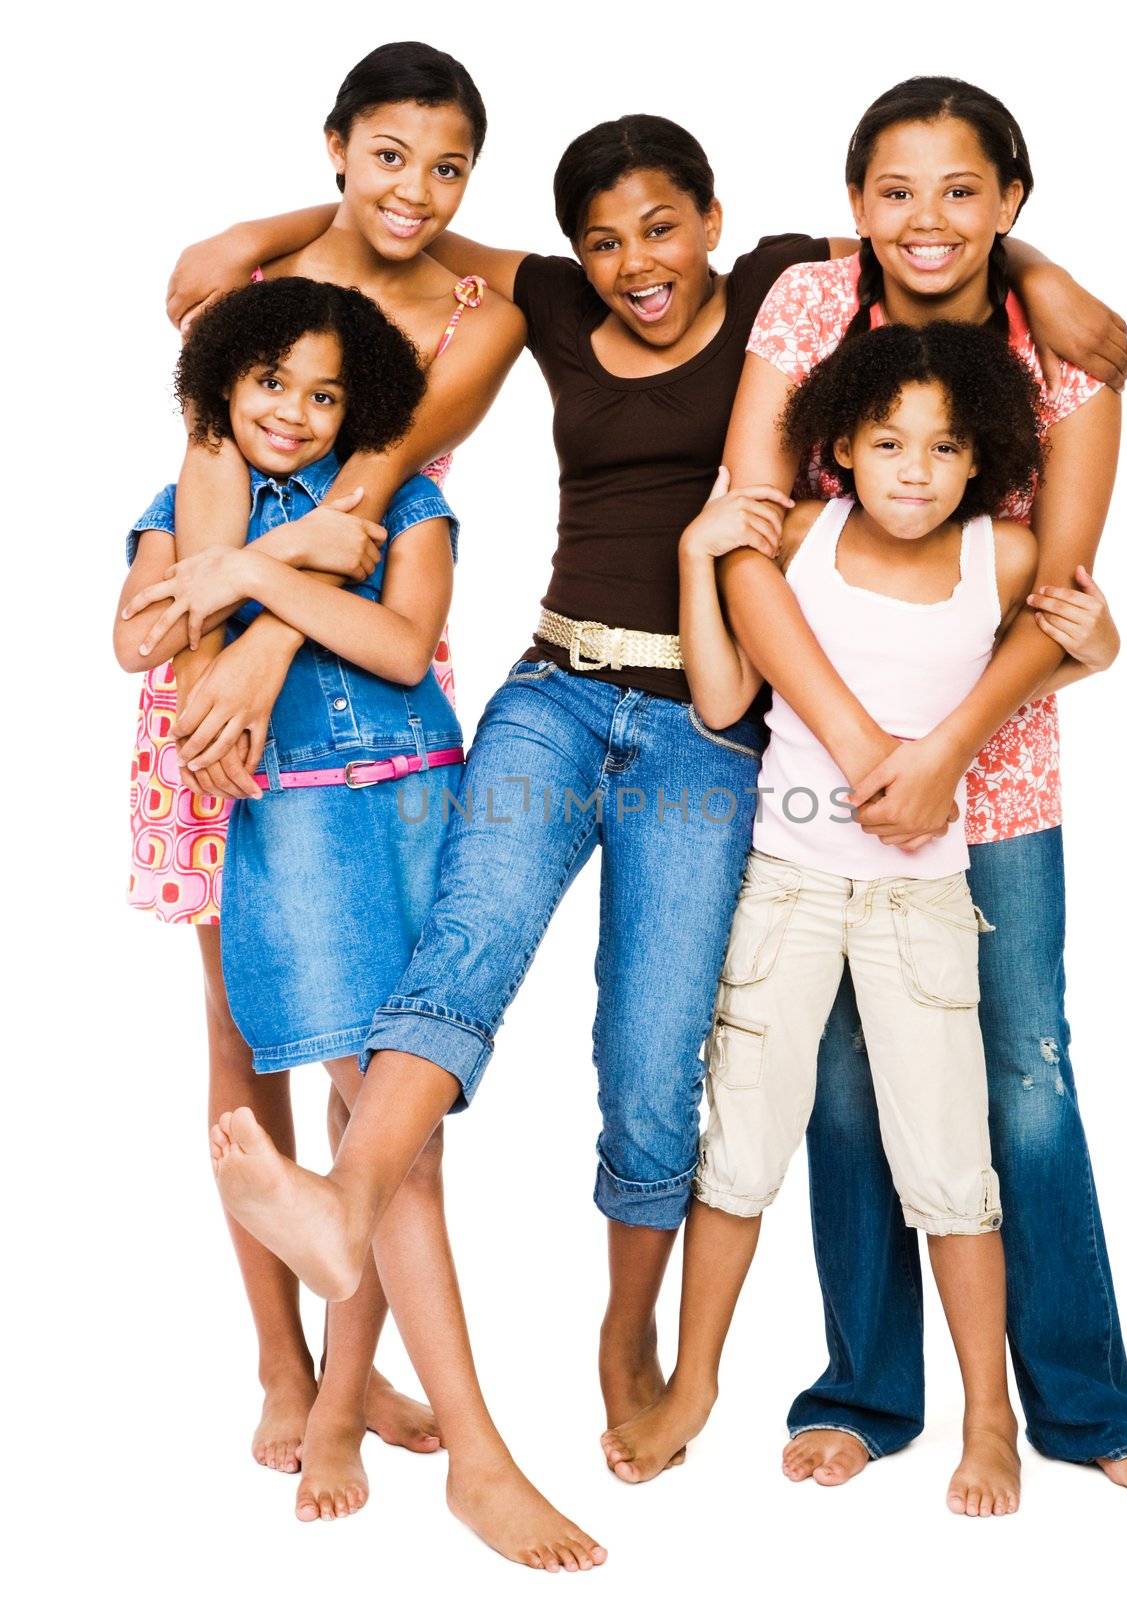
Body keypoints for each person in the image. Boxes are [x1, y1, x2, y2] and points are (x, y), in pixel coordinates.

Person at [186, 106, 1127, 1469]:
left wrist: (1040, 271)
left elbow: (928, 236)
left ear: (714, 220)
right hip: (562, 693)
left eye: (663, 225)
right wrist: (260, 231)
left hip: (709, 730)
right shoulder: (572, 299)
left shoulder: (777, 286)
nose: (637, 257)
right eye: (604, 237)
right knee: (471, 945)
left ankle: (635, 1336)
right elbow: (406, 224)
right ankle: (344, 1208)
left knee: (659, 1055)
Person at [123, 46, 608, 1566]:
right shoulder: (244, 293)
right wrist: (214, 678)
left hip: (351, 690)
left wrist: (258, 637)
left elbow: (367, 497)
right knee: (241, 1042)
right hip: (224, 713)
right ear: (336, 146)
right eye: (383, 156)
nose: (412, 190)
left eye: (446, 166)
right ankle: (290, 1369)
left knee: (369, 1071)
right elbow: (204, 497)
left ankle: (348, 1395)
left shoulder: (485, 309)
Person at [712, 74, 1127, 1499]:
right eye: (897, 191)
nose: (929, 219)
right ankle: (867, 1391)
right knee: (847, 1082)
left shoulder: (1067, 348)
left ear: (1012, 202)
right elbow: (746, 543)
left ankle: (1086, 1407)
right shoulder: (808, 305)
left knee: (1024, 1072)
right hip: (821, 767)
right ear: (857, 203)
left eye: (964, 191)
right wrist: (865, 750)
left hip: (998, 772)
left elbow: (1058, 589)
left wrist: (944, 752)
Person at [606, 319, 1062, 1514]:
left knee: (952, 1169)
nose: (915, 467)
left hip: (922, 900)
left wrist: (955, 745)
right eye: (889, 441)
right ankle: (694, 1384)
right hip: (789, 886)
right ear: (842, 451)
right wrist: (702, 555)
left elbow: (1091, 636)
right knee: (740, 1151)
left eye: (946, 447)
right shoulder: (796, 540)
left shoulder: (999, 556)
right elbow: (719, 696)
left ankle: (990, 1419)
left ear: (981, 461)